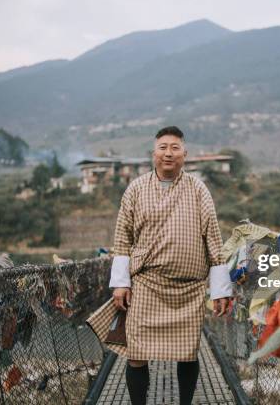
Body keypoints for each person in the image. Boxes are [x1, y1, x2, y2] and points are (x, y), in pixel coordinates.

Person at [87, 126, 233, 405]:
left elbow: (214, 240)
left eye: (175, 148)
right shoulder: (136, 189)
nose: (169, 153)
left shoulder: (198, 189)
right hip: (146, 285)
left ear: (184, 155)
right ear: (153, 154)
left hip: (188, 291)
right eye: (163, 147)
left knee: (188, 354)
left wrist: (220, 290)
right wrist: (120, 283)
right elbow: (122, 238)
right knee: (137, 354)